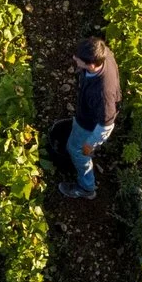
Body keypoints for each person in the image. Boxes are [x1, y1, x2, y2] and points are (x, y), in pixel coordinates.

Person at [57, 37, 119, 200]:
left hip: (90, 124)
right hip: (88, 113)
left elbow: (106, 124)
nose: (74, 59)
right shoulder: (104, 53)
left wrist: (90, 144)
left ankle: (86, 187)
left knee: (77, 150)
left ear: (91, 65)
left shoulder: (102, 93)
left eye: (78, 59)